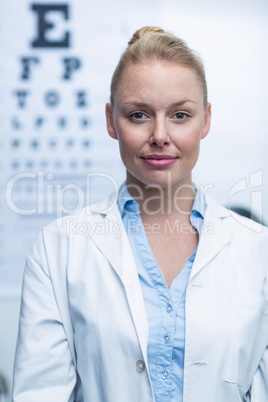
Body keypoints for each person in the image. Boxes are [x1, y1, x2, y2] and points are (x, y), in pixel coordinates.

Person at [13, 26, 268, 402]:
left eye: (180, 115)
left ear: (206, 120)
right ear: (110, 120)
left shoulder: (258, 250)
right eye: (138, 115)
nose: (160, 134)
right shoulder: (58, 250)